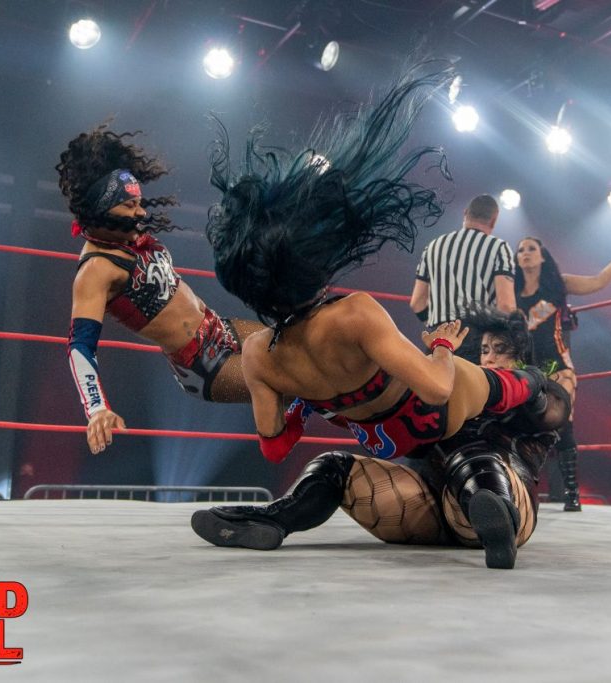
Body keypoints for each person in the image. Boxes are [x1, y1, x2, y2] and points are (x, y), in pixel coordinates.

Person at [204, 64, 569, 467]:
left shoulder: (257, 353)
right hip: (435, 404)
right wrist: (443, 344)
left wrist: (306, 402)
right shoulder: (354, 313)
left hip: (386, 443)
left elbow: (274, 449)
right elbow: (436, 388)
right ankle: (533, 397)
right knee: (513, 386)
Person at [190, 304, 554, 570]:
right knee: (333, 466)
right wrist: (309, 398)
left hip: (505, 505)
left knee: (469, 453)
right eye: (486, 349)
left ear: (522, 357)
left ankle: (497, 524)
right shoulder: (457, 385)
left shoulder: (522, 395)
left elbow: (550, 406)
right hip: (426, 507)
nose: (490, 358)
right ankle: (273, 520)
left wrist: (534, 385)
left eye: (500, 351)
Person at [58, 124, 264, 454]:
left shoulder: (129, 237)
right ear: (101, 210)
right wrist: (96, 409)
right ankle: (280, 431)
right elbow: (80, 345)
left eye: (139, 203)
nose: (140, 212)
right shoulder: (96, 270)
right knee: (294, 378)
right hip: (202, 365)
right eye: (129, 206)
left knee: (300, 346)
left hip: (220, 328)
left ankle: (322, 416)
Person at [514, 235, 611, 510]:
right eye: (521, 250)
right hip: (524, 367)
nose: (525, 253)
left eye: (531, 249)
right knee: (520, 427)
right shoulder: (510, 293)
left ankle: (572, 492)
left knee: (563, 424)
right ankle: (520, 489)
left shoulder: (558, 284)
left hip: (557, 365)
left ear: (542, 256)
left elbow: (597, 282)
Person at [409, 194, 517, 363]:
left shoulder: (434, 246)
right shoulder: (498, 247)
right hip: (477, 337)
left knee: (436, 379)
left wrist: (439, 325)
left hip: (439, 335)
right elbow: (506, 305)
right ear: (494, 220)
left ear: (465, 213)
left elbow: (417, 302)